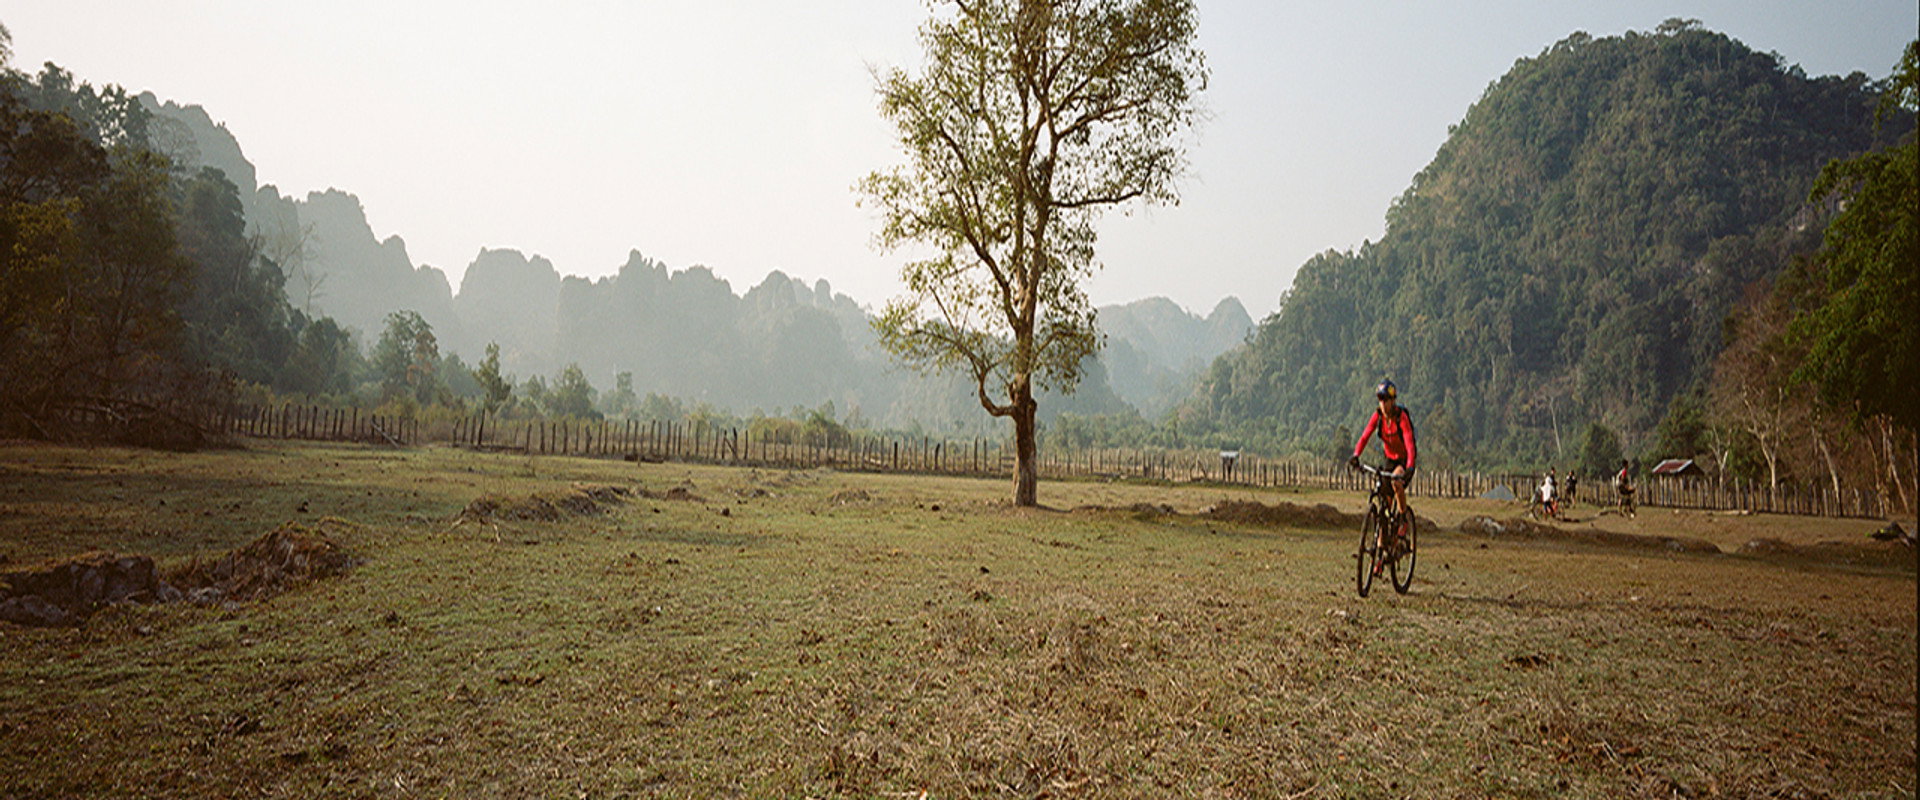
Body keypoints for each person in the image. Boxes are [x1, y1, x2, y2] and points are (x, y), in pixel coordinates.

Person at [1348, 379, 1417, 551]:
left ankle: (1403, 520)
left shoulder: (1401, 418)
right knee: (1383, 506)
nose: (1383, 404)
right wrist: (1356, 455)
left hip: (1403, 460)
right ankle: (1380, 550)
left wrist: (1409, 467)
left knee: (1396, 481)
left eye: (1386, 399)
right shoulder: (1378, 416)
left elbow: (1409, 444)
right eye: (1380, 399)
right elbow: (1365, 436)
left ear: (1393, 401)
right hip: (1389, 460)